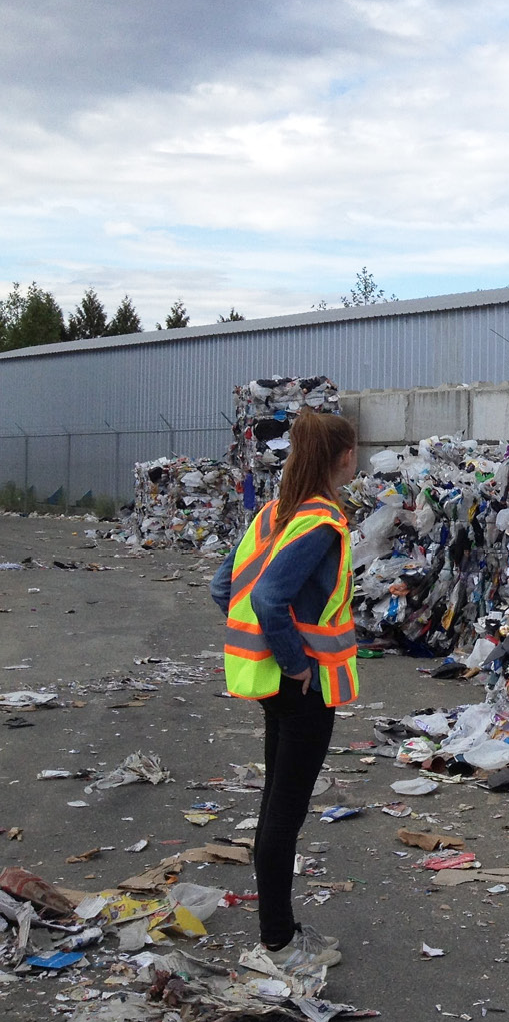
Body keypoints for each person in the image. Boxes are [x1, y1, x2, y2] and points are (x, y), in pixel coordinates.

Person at [211, 411, 361, 972]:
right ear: (342, 456)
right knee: (283, 813)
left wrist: (264, 644)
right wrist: (295, 660)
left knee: (276, 803)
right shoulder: (321, 522)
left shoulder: (273, 514)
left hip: (273, 686)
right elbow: (272, 598)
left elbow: (222, 586)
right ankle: (277, 943)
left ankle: (281, 932)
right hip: (303, 687)